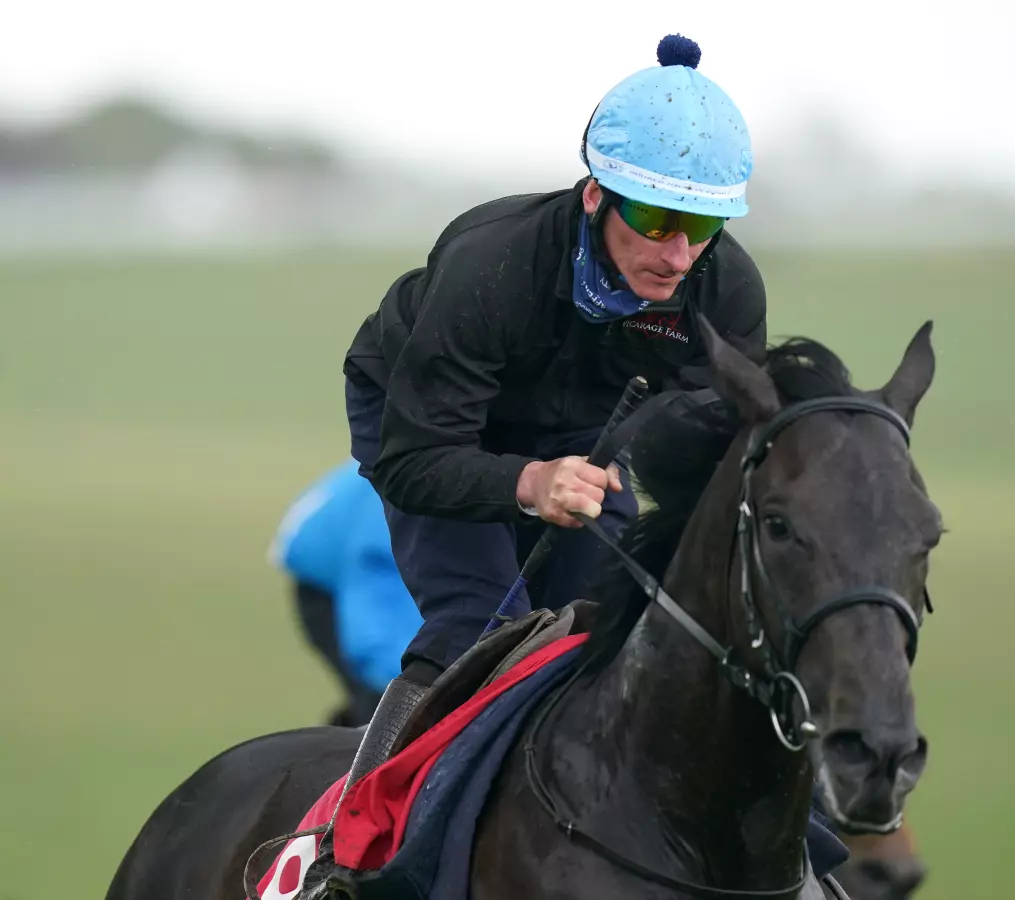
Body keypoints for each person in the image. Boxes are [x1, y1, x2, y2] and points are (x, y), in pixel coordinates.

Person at [342, 34, 766, 725]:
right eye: (658, 220)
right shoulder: (491, 264)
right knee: (480, 633)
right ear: (598, 195)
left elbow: (721, 458)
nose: (680, 255)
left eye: (705, 224)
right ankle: (355, 823)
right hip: (429, 424)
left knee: (604, 628)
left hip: (581, 433)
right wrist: (530, 483)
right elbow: (412, 460)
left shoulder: (727, 290)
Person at [268, 458, 423, 727]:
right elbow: (377, 629)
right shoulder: (386, 527)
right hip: (330, 584)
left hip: (371, 555)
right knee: (393, 709)